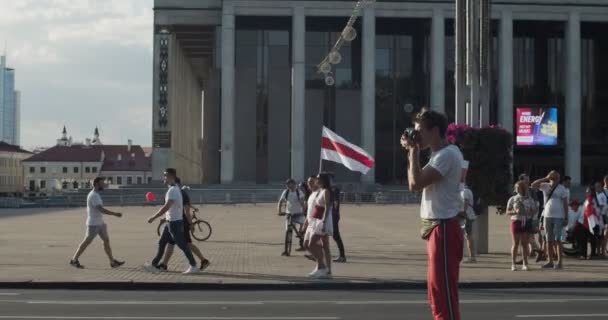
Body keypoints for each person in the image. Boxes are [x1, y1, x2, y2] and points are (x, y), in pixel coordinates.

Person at [401, 109, 464, 320]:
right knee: (436, 293)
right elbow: (416, 181)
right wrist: (413, 152)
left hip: (443, 228)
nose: (417, 136)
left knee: (443, 295)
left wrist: (412, 151)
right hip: (437, 228)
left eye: (420, 131)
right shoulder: (439, 155)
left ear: (435, 131)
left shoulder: (448, 154)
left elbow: (415, 184)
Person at [144, 168, 199, 274]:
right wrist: (164, 218)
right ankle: (154, 265)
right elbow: (173, 208)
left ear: (171, 177)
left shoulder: (173, 190)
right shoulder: (175, 189)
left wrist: (153, 217)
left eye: (165, 175)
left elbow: (166, 207)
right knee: (162, 242)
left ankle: (194, 265)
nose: (163, 178)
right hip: (170, 222)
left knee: (182, 244)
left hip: (174, 223)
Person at [69, 177, 125, 269]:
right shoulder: (93, 195)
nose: (103, 185)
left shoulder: (96, 194)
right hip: (93, 224)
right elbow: (101, 209)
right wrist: (115, 214)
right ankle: (74, 260)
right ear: (96, 184)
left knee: (106, 241)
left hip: (100, 223)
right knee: (87, 242)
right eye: (101, 183)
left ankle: (112, 262)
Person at [157, 178, 210, 271]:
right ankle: (164, 264)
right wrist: (165, 218)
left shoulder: (181, 193)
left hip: (182, 223)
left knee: (187, 244)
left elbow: (186, 211)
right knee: (170, 243)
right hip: (174, 222)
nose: (167, 183)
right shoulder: (175, 192)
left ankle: (203, 261)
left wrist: (190, 224)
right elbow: (172, 209)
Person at [531, 170, 569, 269]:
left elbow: (565, 204)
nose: (557, 179)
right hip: (547, 216)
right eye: (555, 177)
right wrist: (546, 178)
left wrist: (566, 217)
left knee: (558, 240)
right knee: (548, 240)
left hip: (559, 216)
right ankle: (550, 261)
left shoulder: (562, 189)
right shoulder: (545, 185)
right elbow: (533, 185)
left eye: (557, 177)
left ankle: (560, 262)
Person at [303, 174, 333, 279]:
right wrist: (307, 222)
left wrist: (324, 221)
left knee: (313, 244)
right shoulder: (318, 192)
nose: (316, 180)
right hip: (315, 221)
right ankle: (321, 267)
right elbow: (313, 209)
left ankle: (323, 268)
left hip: (321, 221)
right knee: (309, 245)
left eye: (318, 179)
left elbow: (327, 207)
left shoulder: (325, 191)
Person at [506, 181, 537, 271]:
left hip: (526, 220)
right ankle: (513, 264)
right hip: (516, 220)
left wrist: (530, 212)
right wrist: (515, 212)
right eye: (516, 188)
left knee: (525, 243)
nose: (516, 189)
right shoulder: (513, 199)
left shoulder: (530, 199)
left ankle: (525, 263)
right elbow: (508, 211)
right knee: (515, 243)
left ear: (523, 188)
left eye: (518, 187)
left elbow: (534, 210)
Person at [277, 178, 306, 255]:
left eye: (292, 184)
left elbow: (302, 202)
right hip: (289, 214)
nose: (290, 186)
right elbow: (280, 202)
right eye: (289, 185)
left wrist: (304, 210)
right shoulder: (285, 192)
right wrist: (279, 211)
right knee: (288, 231)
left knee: (303, 227)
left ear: (295, 185)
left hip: (298, 213)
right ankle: (286, 250)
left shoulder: (299, 192)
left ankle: (302, 240)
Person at [577, 186, 603, 259]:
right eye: (586, 191)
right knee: (590, 239)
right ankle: (590, 254)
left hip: (589, 222)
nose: (586, 192)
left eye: (588, 191)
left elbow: (590, 211)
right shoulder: (590, 199)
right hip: (589, 221)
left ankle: (586, 254)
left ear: (591, 192)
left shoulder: (591, 200)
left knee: (587, 239)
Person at [326, 172, 346, 263]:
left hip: (333, 215)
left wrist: (334, 213)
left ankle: (342, 256)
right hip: (328, 214)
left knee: (336, 235)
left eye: (328, 179)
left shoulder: (334, 189)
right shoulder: (327, 189)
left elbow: (336, 203)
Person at [460, 182, 476, 263]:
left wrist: (462, 213)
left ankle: (472, 257)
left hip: (466, 216)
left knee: (468, 236)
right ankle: (471, 256)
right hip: (467, 215)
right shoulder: (466, 190)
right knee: (467, 236)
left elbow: (465, 203)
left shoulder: (464, 191)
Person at [594, 181, 607, 257]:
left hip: (601, 217)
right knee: (598, 235)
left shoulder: (602, 195)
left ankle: (601, 252)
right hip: (597, 217)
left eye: (598, 186)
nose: (596, 188)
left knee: (601, 235)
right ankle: (598, 251)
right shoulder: (596, 194)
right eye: (596, 186)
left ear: (601, 187)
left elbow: (602, 206)